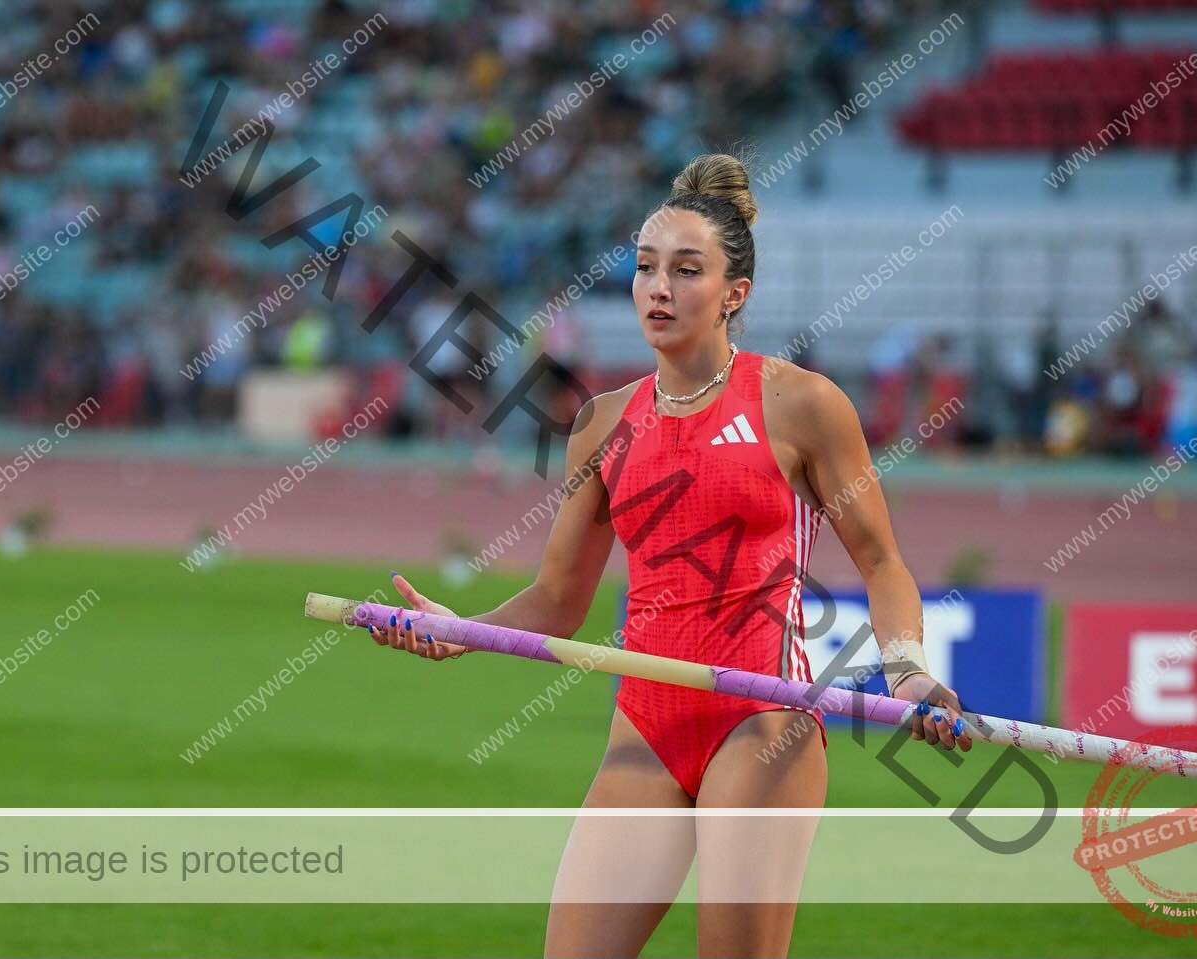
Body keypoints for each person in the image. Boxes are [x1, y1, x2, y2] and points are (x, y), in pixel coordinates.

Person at [369, 154, 972, 958]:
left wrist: (906, 667)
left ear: (735, 293)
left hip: (763, 721)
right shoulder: (601, 422)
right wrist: (463, 627)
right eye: (646, 267)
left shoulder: (802, 404)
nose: (659, 286)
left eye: (687, 270)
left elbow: (882, 561)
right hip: (644, 722)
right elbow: (557, 600)